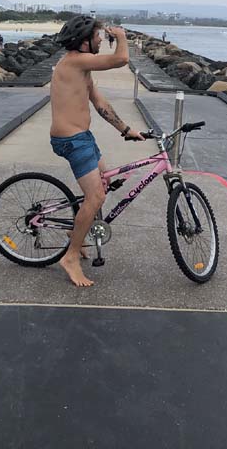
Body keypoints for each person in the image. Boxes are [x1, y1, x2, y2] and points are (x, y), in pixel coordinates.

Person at [49, 15, 143, 287]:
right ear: (83, 42)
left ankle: (76, 235)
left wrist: (126, 129)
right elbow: (121, 59)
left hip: (83, 137)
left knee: (104, 183)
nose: (101, 39)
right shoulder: (74, 61)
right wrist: (121, 36)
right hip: (71, 140)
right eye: (97, 36)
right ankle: (70, 257)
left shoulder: (83, 69)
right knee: (96, 196)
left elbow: (100, 104)